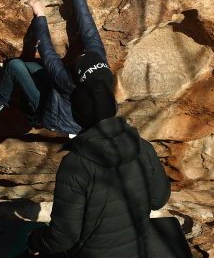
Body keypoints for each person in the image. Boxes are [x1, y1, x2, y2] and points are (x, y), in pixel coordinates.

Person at [26, 78, 172, 258]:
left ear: (77, 116)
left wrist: (33, 240)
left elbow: (64, 237)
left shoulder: (76, 164)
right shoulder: (143, 147)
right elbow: (159, 200)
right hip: (136, 249)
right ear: (114, 107)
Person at [0, 0, 114, 136]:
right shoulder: (99, 61)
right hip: (67, 101)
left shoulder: (68, 83)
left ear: (77, 76)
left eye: (79, 62)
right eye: (84, 55)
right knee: (33, 67)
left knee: (15, 66)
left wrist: (40, 15)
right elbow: (88, 29)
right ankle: (22, 95)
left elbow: (48, 53)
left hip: (56, 116)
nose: (80, 56)